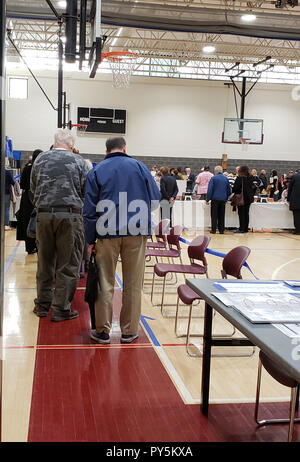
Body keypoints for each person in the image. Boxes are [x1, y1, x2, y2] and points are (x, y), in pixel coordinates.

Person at [83, 137, 161, 345]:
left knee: (104, 282)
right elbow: (155, 199)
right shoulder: (140, 167)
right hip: (136, 232)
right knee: (133, 283)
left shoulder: (97, 171)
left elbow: (89, 210)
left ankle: (102, 331)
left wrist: (90, 239)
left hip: (105, 233)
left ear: (106, 150)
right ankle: (129, 331)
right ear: (125, 148)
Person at [30, 129, 90, 321]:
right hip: (70, 217)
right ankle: (61, 309)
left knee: (45, 261)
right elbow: (85, 190)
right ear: (71, 144)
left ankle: (42, 304)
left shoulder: (39, 160)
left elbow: (32, 188)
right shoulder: (79, 161)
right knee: (68, 263)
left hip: (44, 215)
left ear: (55, 142)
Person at [16, 149, 42, 254]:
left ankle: (29, 247)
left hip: (27, 198)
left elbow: (22, 185)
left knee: (27, 221)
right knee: (38, 222)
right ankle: (38, 246)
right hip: (39, 197)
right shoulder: (41, 169)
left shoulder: (27, 169)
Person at [206, 166, 231, 234]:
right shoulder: (226, 179)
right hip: (223, 199)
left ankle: (213, 230)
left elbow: (210, 189)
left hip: (215, 199)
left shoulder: (213, 178)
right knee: (221, 215)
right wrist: (226, 198)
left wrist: (207, 199)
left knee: (214, 215)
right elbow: (229, 190)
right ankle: (221, 230)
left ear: (215, 171)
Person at [232, 165, 255, 234]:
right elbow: (253, 187)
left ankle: (241, 229)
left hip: (241, 198)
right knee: (246, 213)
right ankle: (245, 229)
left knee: (241, 213)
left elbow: (235, 188)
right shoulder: (251, 178)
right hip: (249, 198)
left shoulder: (239, 178)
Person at [287, 169, 300, 235]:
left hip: (296, 200)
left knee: (296, 215)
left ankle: (297, 230)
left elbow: (290, 189)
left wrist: (288, 199)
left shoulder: (294, 177)